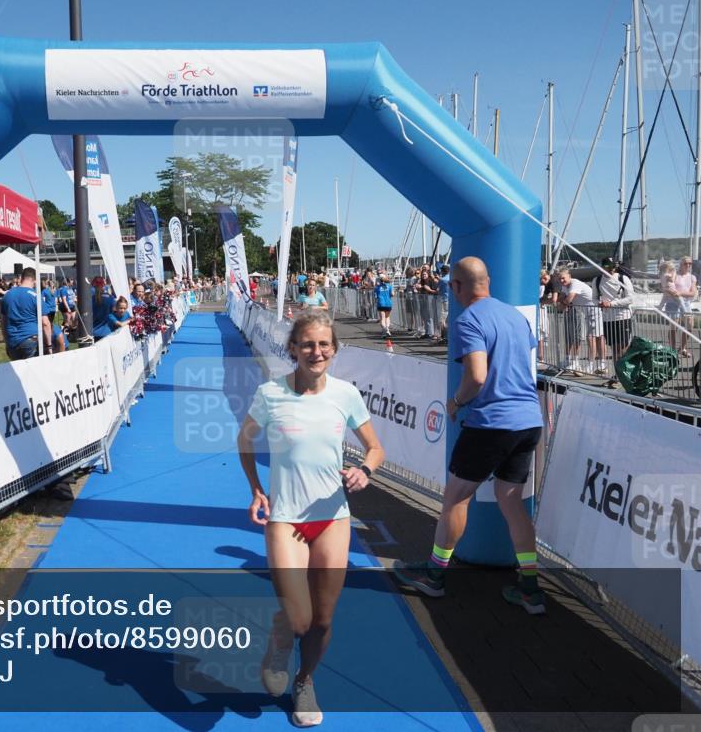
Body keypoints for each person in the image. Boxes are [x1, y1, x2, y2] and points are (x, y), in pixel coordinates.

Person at [237, 310, 384, 727]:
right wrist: (255, 489)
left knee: (321, 620)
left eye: (323, 345)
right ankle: (281, 636)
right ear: (293, 350)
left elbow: (375, 448)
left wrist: (365, 471)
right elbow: (244, 441)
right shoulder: (270, 394)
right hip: (285, 520)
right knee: (299, 618)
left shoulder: (346, 395)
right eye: (307, 344)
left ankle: (304, 681)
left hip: (333, 518)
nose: (315, 351)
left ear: (334, 350)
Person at [394, 257, 546, 614]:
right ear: (488, 281)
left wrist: (455, 401)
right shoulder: (515, 317)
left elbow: (477, 376)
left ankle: (434, 576)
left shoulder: (469, 320)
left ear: (458, 287)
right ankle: (530, 588)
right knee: (511, 501)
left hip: (492, 422)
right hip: (528, 420)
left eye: (452, 286)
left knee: (456, 498)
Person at [593, 257, 634, 385]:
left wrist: (611, 304)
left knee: (623, 348)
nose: (609, 270)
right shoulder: (597, 280)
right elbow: (594, 298)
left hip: (623, 316)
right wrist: (600, 303)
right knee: (615, 349)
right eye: (606, 267)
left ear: (615, 267)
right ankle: (618, 375)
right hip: (607, 319)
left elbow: (630, 298)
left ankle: (625, 374)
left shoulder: (623, 278)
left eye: (611, 267)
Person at [0, 268, 53, 359]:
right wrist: (49, 346)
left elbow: (3, 322)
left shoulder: (7, 295)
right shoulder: (35, 296)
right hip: (30, 340)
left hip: (12, 341)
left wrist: (6, 340)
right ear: (35, 280)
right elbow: (45, 323)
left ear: (22, 278)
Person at [555, 267, 600, 373]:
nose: (561, 281)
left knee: (590, 338)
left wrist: (561, 306)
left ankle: (590, 365)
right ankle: (570, 360)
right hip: (584, 311)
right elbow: (561, 298)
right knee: (571, 336)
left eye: (563, 278)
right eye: (560, 279)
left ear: (569, 277)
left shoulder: (575, 284)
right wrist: (562, 303)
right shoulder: (565, 286)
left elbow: (569, 299)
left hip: (594, 310)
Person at [671, 256, 698, 357]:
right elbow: (671, 290)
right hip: (674, 303)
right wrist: (680, 293)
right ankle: (672, 350)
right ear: (681, 264)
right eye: (686, 263)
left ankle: (682, 348)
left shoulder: (692, 277)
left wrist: (679, 293)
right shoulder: (675, 275)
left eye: (690, 263)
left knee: (690, 325)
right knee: (674, 327)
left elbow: (693, 293)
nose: (688, 265)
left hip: (686, 304)